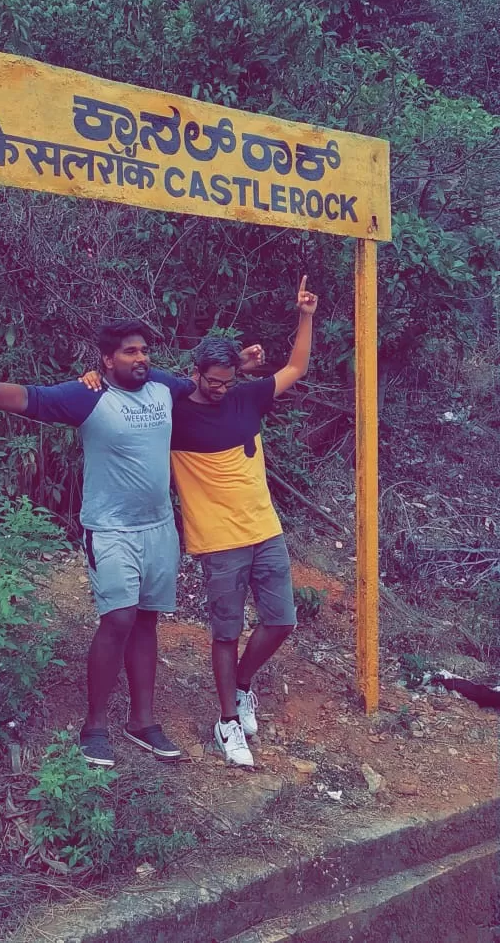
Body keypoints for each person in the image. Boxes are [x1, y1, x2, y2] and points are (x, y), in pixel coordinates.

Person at [0, 322, 263, 769]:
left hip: (159, 528)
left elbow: (203, 381)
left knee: (145, 620)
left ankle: (142, 721)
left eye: (143, 349)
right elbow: (32, 398)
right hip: (109, 530)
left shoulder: (164, 386)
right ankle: (95, 727)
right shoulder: (88, 395)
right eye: (129, 351)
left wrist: (237, 364)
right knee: (119, 617)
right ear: (107, 360)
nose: (140, 357)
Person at [168, 275, 318, 768]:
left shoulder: (246, 397)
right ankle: (227, 721)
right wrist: (93, 376)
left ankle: (243, 684)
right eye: (212, 381)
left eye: (226, 381)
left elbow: (296, 367)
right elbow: (134, 384)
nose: (219, 390)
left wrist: (305, 316)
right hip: (218, 539)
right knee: (225, 633)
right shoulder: (175, 409)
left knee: (281, 621)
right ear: (196, 373)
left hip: (264, 529)